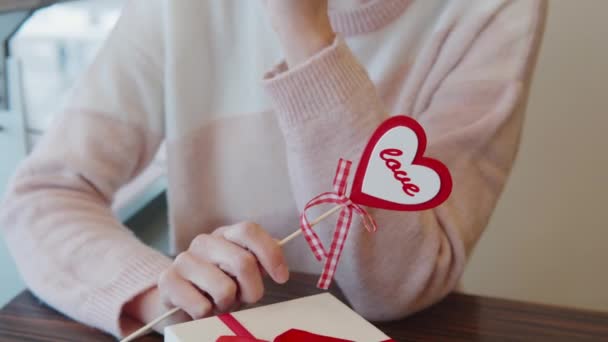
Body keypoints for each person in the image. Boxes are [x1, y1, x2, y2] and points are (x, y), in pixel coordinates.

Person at [0, 0, 547, 338]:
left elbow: (397, 287)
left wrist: (305, 33)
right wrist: (160, 293)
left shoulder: (492, 10)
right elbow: (46, 196)